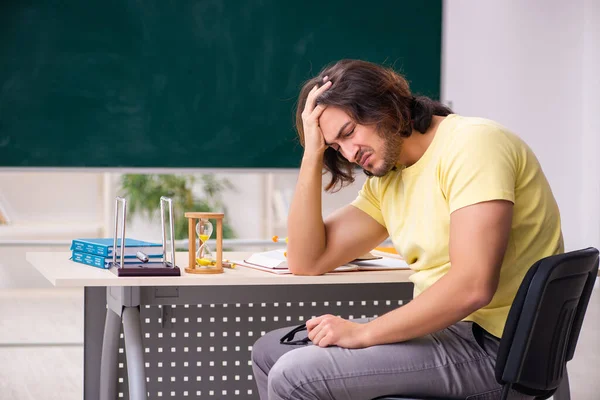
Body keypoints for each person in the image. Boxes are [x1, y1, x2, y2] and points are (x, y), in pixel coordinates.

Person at [251, 59, 563, 400]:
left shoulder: (474, 144)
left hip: (500, 350)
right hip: (447, 334)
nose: (351, 154)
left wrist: (364, 333)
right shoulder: (390, 177)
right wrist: (313, 153)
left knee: (295, 375)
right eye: (336, 147)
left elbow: (473, 286)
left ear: (385, 105)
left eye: (349, 132)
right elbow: (306, 261)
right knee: (269, 351)